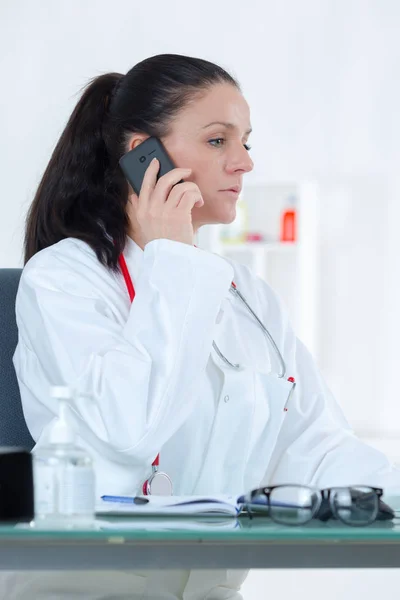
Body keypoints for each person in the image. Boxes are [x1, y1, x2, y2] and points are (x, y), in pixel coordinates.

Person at [9, 53, 400, 599]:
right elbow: (129, 433)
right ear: (144, 158)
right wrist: (172, 257)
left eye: (246, 142)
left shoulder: (245, 293)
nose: (244, 163)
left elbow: (315, 443)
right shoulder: (63, 279)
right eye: (219, 141)